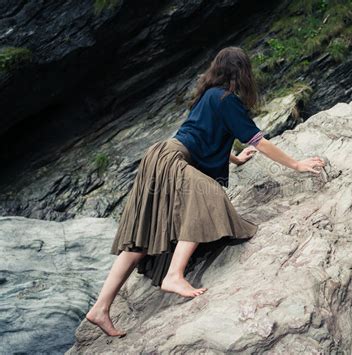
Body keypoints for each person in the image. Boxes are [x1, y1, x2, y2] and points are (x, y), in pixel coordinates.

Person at [85, 46, 325, 337]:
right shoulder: (226, 99)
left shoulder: (208, 96)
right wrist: (297, 164)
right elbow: (259, 140)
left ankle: (100, 308)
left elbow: (202, 137)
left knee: (143, 240)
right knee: (210, 195)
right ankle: (174, 274)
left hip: (160, 157)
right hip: (173, 159)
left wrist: (235, 158)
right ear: (241, 74)